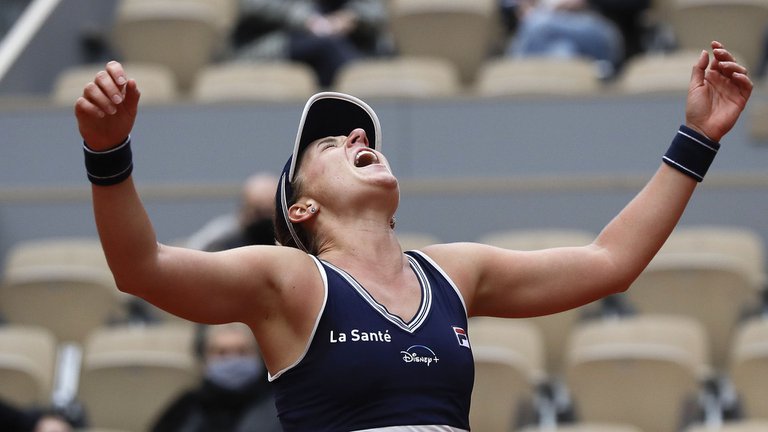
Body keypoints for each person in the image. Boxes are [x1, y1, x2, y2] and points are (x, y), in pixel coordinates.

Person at [73, 40, 752, 431]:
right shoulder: (290, 281)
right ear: (301, 212)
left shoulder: (453, 272)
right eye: (333, 144)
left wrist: (697, 137)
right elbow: (141, 268)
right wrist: (108, 155)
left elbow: (612, 261)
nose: (361, 137)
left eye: (361, 133)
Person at [151, 323, 281, 432]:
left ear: (259, 355)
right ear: (204, 358)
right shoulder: (186, 407)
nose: (232, 360)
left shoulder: (281, 405)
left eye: (242, 351)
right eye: (221, 353)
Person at [230, 0, 388, 87]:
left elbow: (375, 10)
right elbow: (254, 5)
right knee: (327, 47)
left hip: (343, 40)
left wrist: (349, 17)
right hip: (276, 40)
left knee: (384, 53)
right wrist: (309, 20)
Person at [507, 0, 625, 78]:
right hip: (546, 37)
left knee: (536, 22)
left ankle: (520, 66)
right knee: (564, 49)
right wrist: (522, 7)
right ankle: (587, 70)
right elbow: (505, 8)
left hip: (591, 26)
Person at [186, 173, 279, 251]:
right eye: (258, 212)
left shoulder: (286, 238)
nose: (265, 219)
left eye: (270, 212)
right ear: (243, 209)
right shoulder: (221, 237)